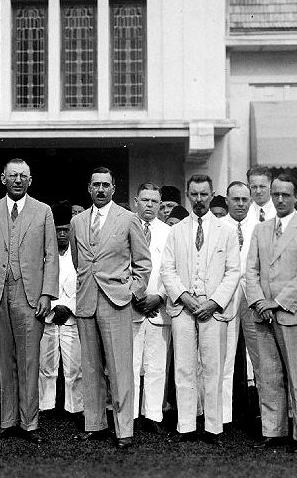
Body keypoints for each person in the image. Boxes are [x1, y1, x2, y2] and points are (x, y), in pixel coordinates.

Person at [0, 159, 57, 444]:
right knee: (3, 360)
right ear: (3, 178)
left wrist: (47, 294)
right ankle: (8, 421)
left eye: (23, 176)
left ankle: (29, 423)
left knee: (29, 360)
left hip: (30, 295)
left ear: (30, 180)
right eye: (13, 176)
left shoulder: (43, 211)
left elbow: (51, 256)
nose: (18, 180)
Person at [72, 167, 150, 449]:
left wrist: (132, 292)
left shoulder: (128, 219)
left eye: (106, 184)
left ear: (114, 188)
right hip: (86, 301)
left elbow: (143, 263)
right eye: (96, 185)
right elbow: (77, 260)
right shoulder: (78, 221)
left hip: (116, 300)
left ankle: (124, 429)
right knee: (90, 367)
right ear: (89, 189)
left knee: (119, 368)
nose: (101, 189)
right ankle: (95, 424)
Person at [160, 175, 240, 445]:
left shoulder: (226, 230)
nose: (199, 200)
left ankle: (213, 427)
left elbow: (233, 272)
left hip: (212, 307)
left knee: (213, 368)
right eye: (193, 194)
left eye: (204, 194)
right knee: (184, 367)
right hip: (184, 306)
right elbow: (167, 270)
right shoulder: (177, 230)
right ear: (187, 194)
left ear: (212, 194)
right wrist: (183, 296)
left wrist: (214, 302)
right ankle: (186, 426)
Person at [245, 173, 297, 453]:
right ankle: (273, 431)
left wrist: (275, 302)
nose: (279, 199)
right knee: (269, 375)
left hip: (293, 314)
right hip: (263, 315)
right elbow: (250, 271)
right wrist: (258, 302)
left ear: (296, 197)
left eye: (285, 195)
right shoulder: (261, 230)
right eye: (275, 194)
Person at [130, 183, 170, 434]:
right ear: (136, 201)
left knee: (156, 364)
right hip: (131, 305)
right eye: (145, 200)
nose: (149, 205)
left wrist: (161, 297)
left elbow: (174, 268)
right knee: (131, 364)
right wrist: (134, 296)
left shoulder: (169, 232)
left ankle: (153, 414)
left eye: (154, 201)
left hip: (158, 306)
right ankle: (130, 414)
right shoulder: (125, 226)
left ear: (160, 204)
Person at [219, 180, 260, 425]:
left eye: (245, 199)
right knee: (224, 357)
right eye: (236, 199)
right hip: (227, 295)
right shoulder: (219, 226)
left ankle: (263, 415)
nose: (241, 204)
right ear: (227, 201)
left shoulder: (260, 226)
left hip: (253, 295)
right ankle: (223, 416)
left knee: (259, 358)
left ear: (251, 200)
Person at [38, 203, 83, 423]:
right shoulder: (44, 256)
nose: (62, 234)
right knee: (46, 365)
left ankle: (75, 408)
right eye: (58, 230)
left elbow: (84, 284)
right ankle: (46, 406)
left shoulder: (78, 255)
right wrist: (53, 308)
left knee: (74, 366)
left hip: (71, 317)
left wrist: (69, 308)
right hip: (49, 315)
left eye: (66, 229)